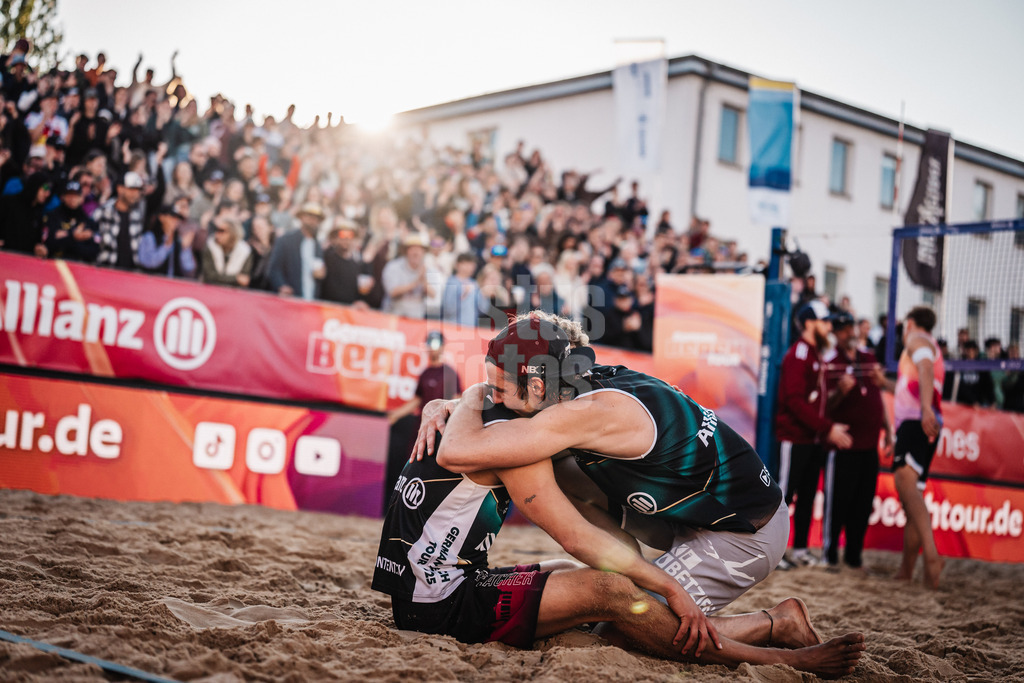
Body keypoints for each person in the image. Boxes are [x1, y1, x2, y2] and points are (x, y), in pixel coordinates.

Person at [386, 313, 863, 675]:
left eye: (497, 388)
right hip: (687, 506)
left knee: (624, 627)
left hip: (743, 532)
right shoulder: (574, 386)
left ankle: (775, 626)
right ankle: (644, 583)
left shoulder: (582, 414)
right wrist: (448, 400)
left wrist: (461, 398)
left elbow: (462, 451)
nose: (491, 398)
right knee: (596, 553)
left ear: (536, 384)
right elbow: (488, 436)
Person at [775, 300, 853, 567]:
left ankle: (800, 550)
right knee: (783, 496)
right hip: (794, 437)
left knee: (807, 496)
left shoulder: (814, 353)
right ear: (809, 323)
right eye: (825, 321)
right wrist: (827, 427)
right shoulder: (799, 354)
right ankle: (774, 554)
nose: (829, 326)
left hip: (810, 438)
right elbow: (794, 402)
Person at [876, 306, 946, 589]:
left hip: (917, 423)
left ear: (912, 323)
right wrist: (884, 383)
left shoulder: (917, 340)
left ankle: (931, 555)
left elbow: (926, 369)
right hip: (923, 421)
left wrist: (927, 409)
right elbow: (910, 387)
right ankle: (907, 569)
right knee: (912, 495)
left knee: (907, 490)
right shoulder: (929, 345)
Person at [822, 312, 891, 569]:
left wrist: (889, 432)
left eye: (849, 327)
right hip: (844, 446)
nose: (847, 333)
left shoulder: (869, 359)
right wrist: (840, 392)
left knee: (863, 506)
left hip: (869, 445)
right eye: (841, 330)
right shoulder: (831, 362)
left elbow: (879, 400)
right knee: (838, 504)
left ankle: (854, 556)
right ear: (835, 335)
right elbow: (824, 406)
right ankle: (829, 555)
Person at [383, 330, 463, 505]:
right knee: (413, 468)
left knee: (434, 471)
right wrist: (396, 415)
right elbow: (418, 400)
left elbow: (456, 402)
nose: (432, 349)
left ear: (442, 347)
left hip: (440, 432)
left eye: (435, 344)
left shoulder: (449, 373)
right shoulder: (425, 373)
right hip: (420, 430)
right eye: (429, 344)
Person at [265, 201, 325, 299]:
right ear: (301, 218)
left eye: (316, 218)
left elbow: (319, 272)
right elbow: (274, 269)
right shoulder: (286, 240)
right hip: (291, 299)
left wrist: (322, 273)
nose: (313, 221)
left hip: (311, 300)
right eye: (309, 216)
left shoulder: (317, 245)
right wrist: (281, 286)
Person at [94, 171, 148, 270]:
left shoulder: (137, 215)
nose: (136, 194)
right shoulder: (104, 212)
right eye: (132, 189)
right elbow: (94, 241)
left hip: (130, 274)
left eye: (138, 190)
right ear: (120, 189)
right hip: (106, 270)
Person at [41, 179, 100, 262]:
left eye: (75, 195)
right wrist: (74, 236)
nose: (72, 199)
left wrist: (65, 238)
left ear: (81, 198)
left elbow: (94, 251)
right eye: (69, 195)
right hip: (54, 263)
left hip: (80, 267)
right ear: (63, 197)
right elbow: (48, 245)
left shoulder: (88, 221)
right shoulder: (52, 216)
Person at [320, 219, 374, 306]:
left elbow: (360, 292)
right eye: (342, 237)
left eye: (349, 237)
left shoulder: (358, 264)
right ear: (336, 238)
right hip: (326, 308)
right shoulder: (326, 257)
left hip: (347, 312)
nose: (345, 241)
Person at [382, 233, 433, 319]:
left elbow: (433, 294)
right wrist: (415, 283)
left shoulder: (427, 269)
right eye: (413, 249)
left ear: (424, 252)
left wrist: (424, 280)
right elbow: (392, 292)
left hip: (416, 319)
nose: (416, 253)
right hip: (394, 316)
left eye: (419, 249)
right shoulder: (393, 267)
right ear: (406, 251)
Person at [137, 205, 197, 278]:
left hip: (171, 286)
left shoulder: (177, 240)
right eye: (172, 217)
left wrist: (185, 249)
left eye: (177, 219)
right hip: (152, 283)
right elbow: (146, 262)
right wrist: (165, 247)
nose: (175, 221)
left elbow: (189, 269)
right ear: (161, 217)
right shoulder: (150, 237)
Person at [200, 217, 252, 287]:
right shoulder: (210, 246)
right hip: (210, 289)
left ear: (233, 233)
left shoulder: (245, 251)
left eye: (222, 231)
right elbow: (210, 276)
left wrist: (223, 278)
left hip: (233, 292)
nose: (217, 234)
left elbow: (244, 279)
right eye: (216, 230)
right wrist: (235, 278)